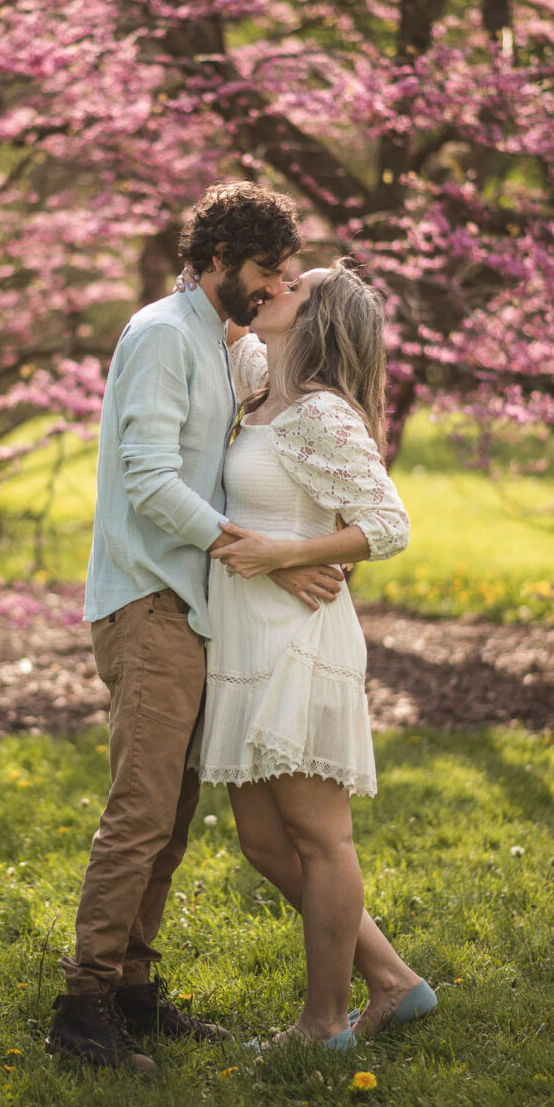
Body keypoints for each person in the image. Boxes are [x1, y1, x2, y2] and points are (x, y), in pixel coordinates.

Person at [45, 181, 346, 1073]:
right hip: (150, 602)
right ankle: (82, 1007)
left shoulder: (216, 345)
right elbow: (145, 476)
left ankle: (133, 991)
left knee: (170, 819)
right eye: (263, 270)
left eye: (283, 272)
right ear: (217, 258)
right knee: (139, 814)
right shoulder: (160, 336)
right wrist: (244, 544)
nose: (270, 286)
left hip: (188, 606)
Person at [195, 262, 436, 1047]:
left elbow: (388, 525)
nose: (275, 287)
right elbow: (201, 297)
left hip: (299, 638)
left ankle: (324, 1023)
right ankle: (395, 981)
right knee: (264, 843)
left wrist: (281, 553)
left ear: (316, 319)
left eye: (293, 286)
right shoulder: (257, 379)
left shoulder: (321, 414)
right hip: (245, 637)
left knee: (318, 837)